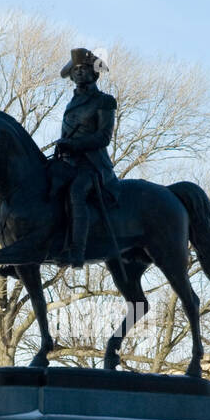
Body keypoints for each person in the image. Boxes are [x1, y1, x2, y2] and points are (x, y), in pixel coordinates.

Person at [54, 48, 118, 266]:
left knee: (77, 192)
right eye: (76, 69)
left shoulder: (104, 101)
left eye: (84, 69)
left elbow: (103, 137)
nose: (79, 72)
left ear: (94, 73)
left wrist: (73, 144)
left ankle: (77, 252)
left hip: (93, 166)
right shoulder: (71, 103)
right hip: (68, 163)